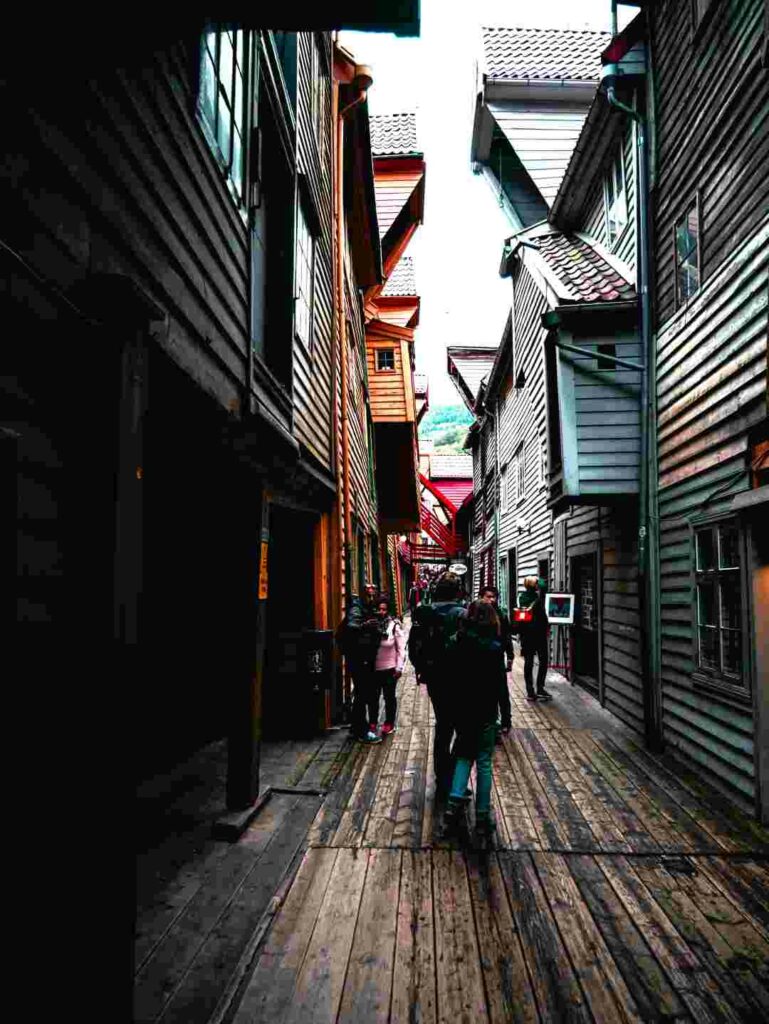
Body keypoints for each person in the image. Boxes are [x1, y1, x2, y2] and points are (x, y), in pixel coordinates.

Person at [442, 600, 503, 839]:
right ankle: (482, 815)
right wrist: (499, 714)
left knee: (464, 755)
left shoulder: (455, 642)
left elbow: (449, 678)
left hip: (462, 709)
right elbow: (498, 684)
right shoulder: (494, 648)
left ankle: (452, 807)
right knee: (484, 761)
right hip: (485, 709)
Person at [408, 571, 466, 800]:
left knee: (443, 725)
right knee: (462, 728)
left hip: (435, 676)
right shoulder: (462, 614)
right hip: (460, 678)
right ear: (457, 590)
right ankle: (454, 779)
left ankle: (443, 779)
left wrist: (421, 668)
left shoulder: (424, 612)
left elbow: (413, 646)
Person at [336, 582, 383, 742]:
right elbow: (352, 627)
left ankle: (356, 727)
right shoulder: (357, 609)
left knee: (362, 693)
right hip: (358, 657)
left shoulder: (368, 609)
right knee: (363, 693)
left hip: (364, 657)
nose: (371, 598)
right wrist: (365, 625)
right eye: (368, 595)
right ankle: (361, 731)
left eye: (373, 595)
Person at [478, 585, 514, 739]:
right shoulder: (476, 614)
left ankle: (506, 721)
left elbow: (507, 637)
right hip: (480, 659)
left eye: (494, 597)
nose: (491, 600)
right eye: (488, 596)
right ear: (481, 597)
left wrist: (510, 656)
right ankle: (491, 725)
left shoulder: (501, 614)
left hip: (497, 658)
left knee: (501, 692)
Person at [372, 597, 405, 736]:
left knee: (389, 697)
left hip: (390, 667)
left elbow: (401, 648)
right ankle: (372, 723)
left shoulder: (394, 626)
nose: (381, 612)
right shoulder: (371, 625)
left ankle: (389, 722)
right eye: (379, 609)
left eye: (384, 609)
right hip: (373, 668)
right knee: (373, 697)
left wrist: (399, 667)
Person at [517, 575, 552, 702]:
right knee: (543, 661)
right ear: (534, 585)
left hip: (527, 635)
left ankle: (530, 691)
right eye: (537, 583)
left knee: (529, 663)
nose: (539, 584)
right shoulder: (537, 598)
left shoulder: (522, 597)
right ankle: (540, 688)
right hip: (539, 635)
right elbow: (544, 585)